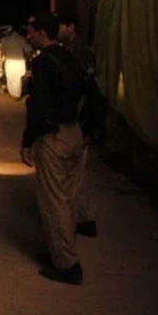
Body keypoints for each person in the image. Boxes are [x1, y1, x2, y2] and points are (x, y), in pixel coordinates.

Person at [20, 11, 87, 285]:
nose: (27, 35)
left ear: (41, 33)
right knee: (68, 199)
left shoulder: (44, 63)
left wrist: (27, 141)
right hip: (75, 133)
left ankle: (67, 265)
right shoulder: (70, 56)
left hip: (54, 137)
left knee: (53, 202)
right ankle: (62, 253)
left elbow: (40, 107)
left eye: (31, 31)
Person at [58, 14, 103, 238]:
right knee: (77, 177)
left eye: (61, 26)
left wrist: (87, 128)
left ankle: (74, 223)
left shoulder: (79, 54)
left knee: (72, 178)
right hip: (79, 122)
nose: (57, 30)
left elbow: (89, 94)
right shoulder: (70, 51)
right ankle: (84, 219)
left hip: (79, 123)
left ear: (71, 27)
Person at [1, 23, 33, 99]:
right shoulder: (21, 39)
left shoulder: (6, 40)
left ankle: (12, 93)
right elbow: (29, 50)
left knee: (10, 78)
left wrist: (1, 61)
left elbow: (2, 52)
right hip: (20, 62)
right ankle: (17, 94)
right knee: (18, 79)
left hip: (9, 62)